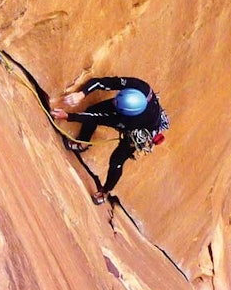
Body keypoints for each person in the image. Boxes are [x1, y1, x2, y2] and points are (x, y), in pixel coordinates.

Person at [52, 76, 169, 204]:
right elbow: (102, 82)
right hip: (141, 111)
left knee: (116, 161)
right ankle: (83, 142)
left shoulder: (127, 122)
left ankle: (105, 191)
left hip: (139, 130)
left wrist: (68, 116)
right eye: (116, 99)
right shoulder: (140, 86)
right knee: (92, 109)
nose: (113, 103)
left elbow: (96, 118)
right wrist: (82, 93)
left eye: (117, 105)